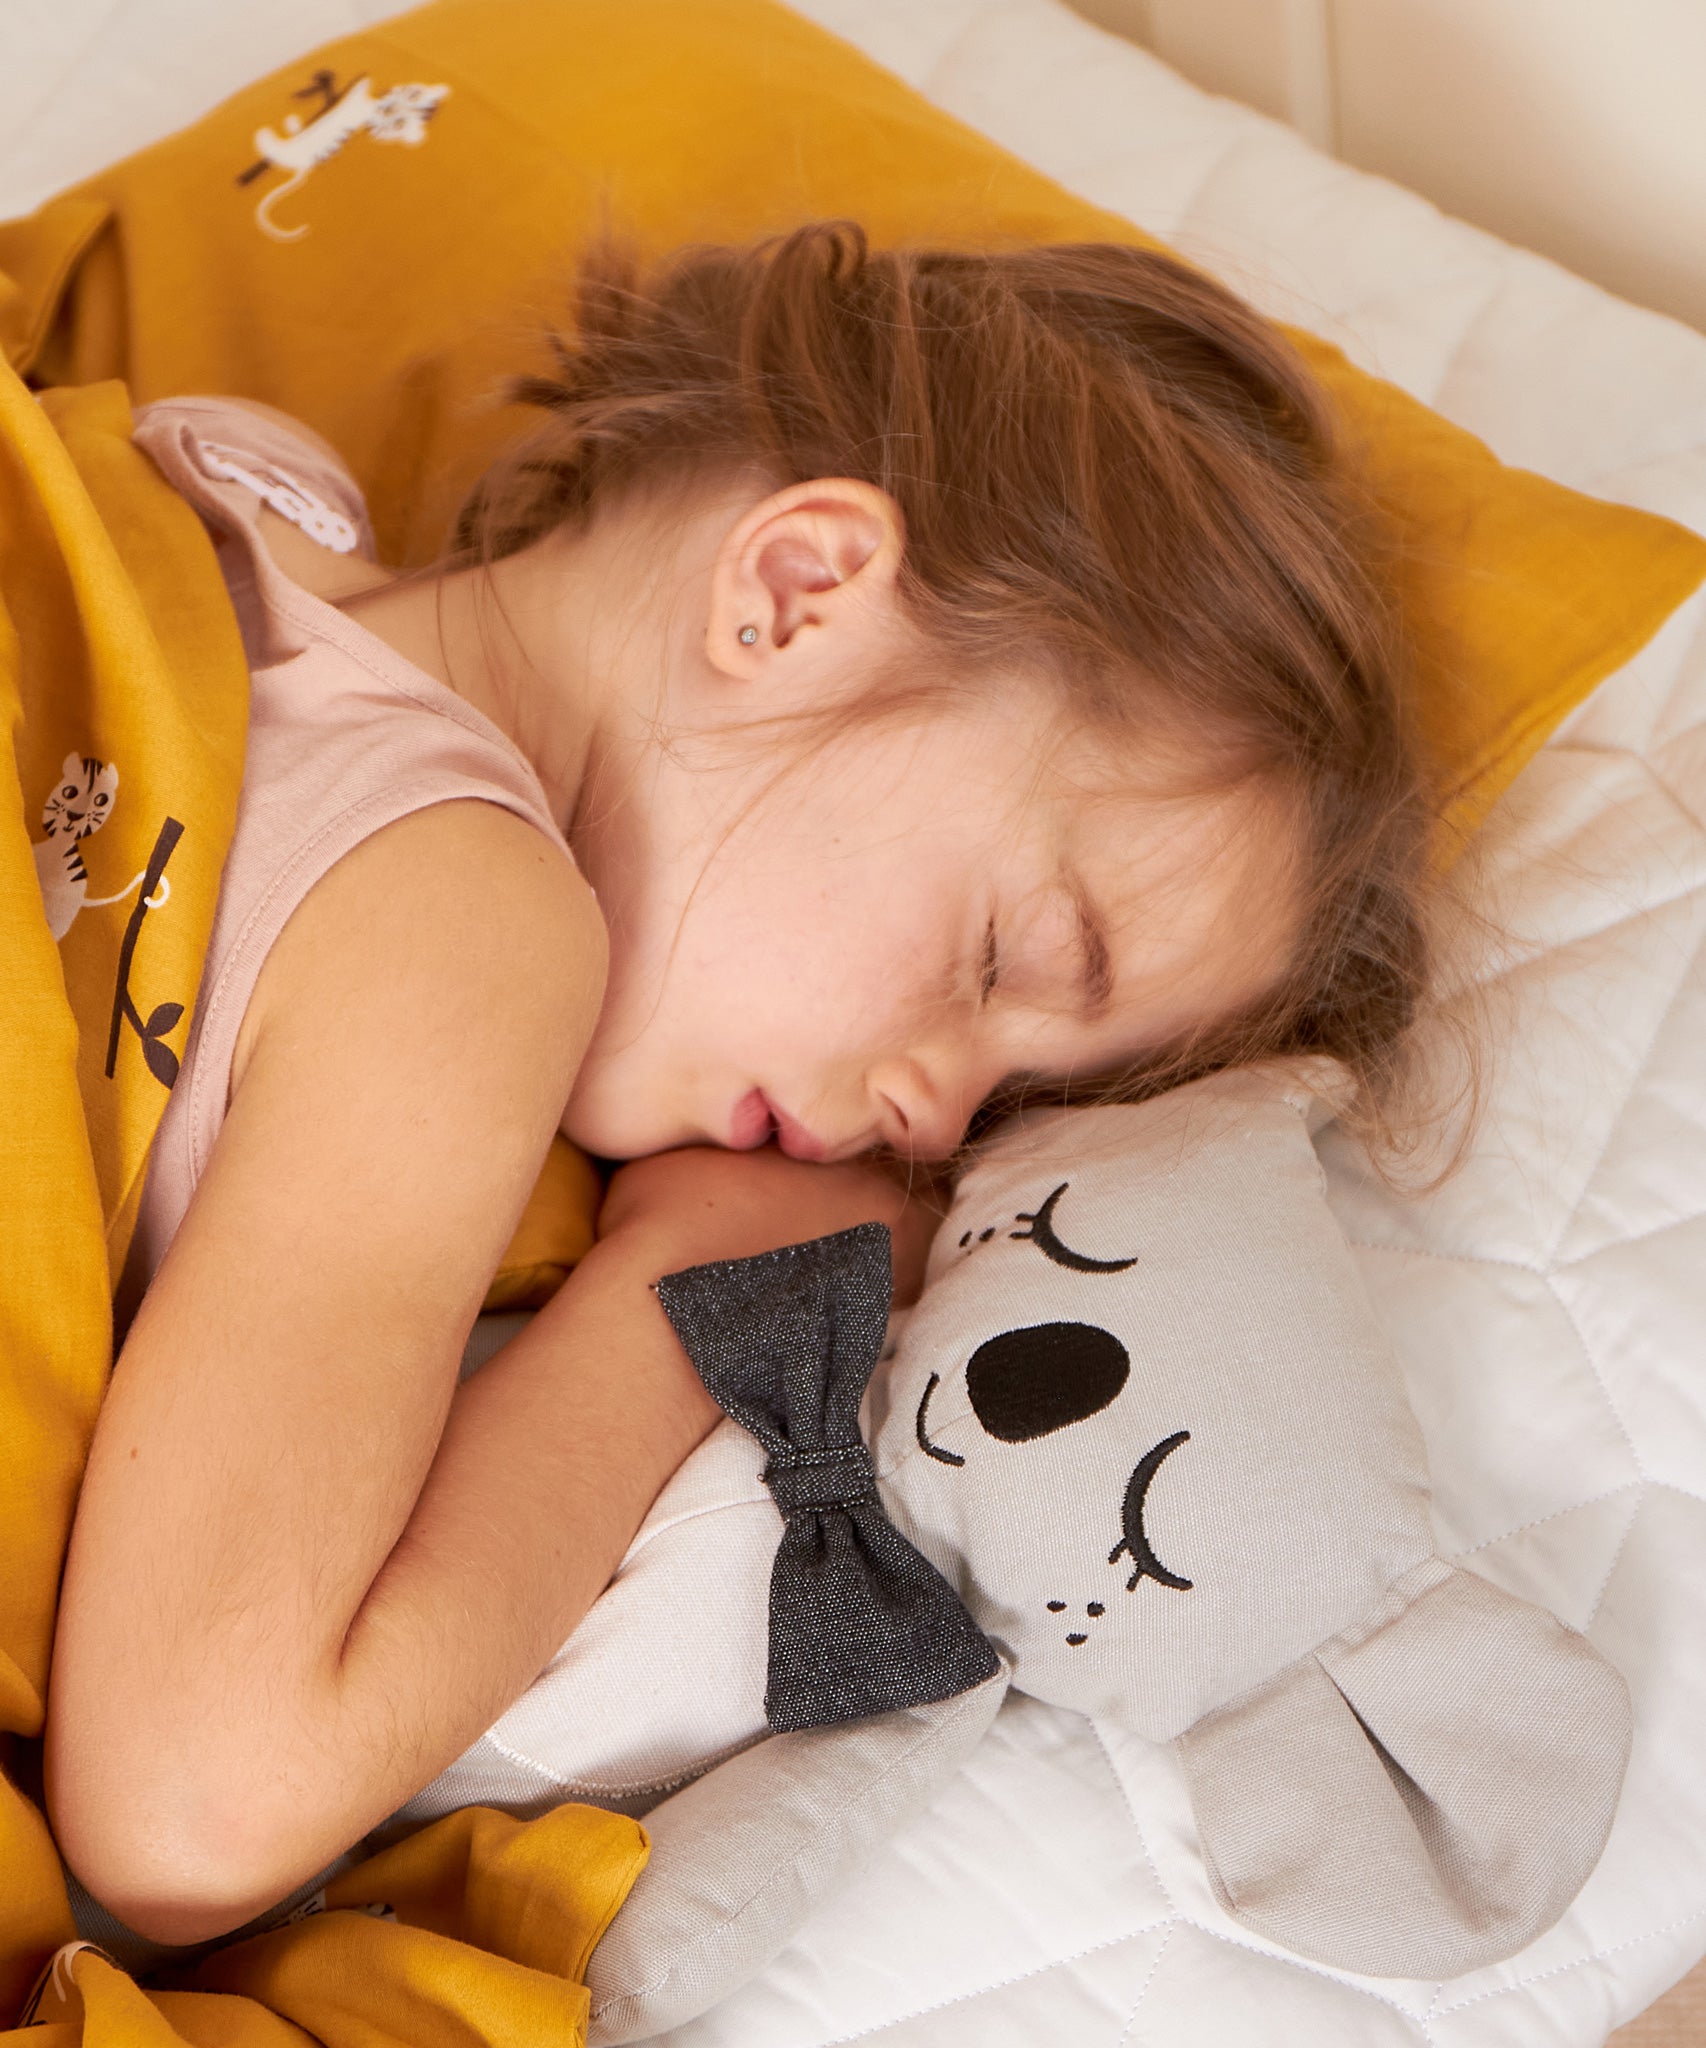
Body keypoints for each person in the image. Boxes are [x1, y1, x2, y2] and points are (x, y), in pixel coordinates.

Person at [44, 223, 1432, 1949]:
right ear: (788, 597)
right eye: (999, 959)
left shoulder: (234, 479)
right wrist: (696, 1281)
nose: (929, 1125)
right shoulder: (464, 931)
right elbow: (193, 1807)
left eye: (1007, 1100)